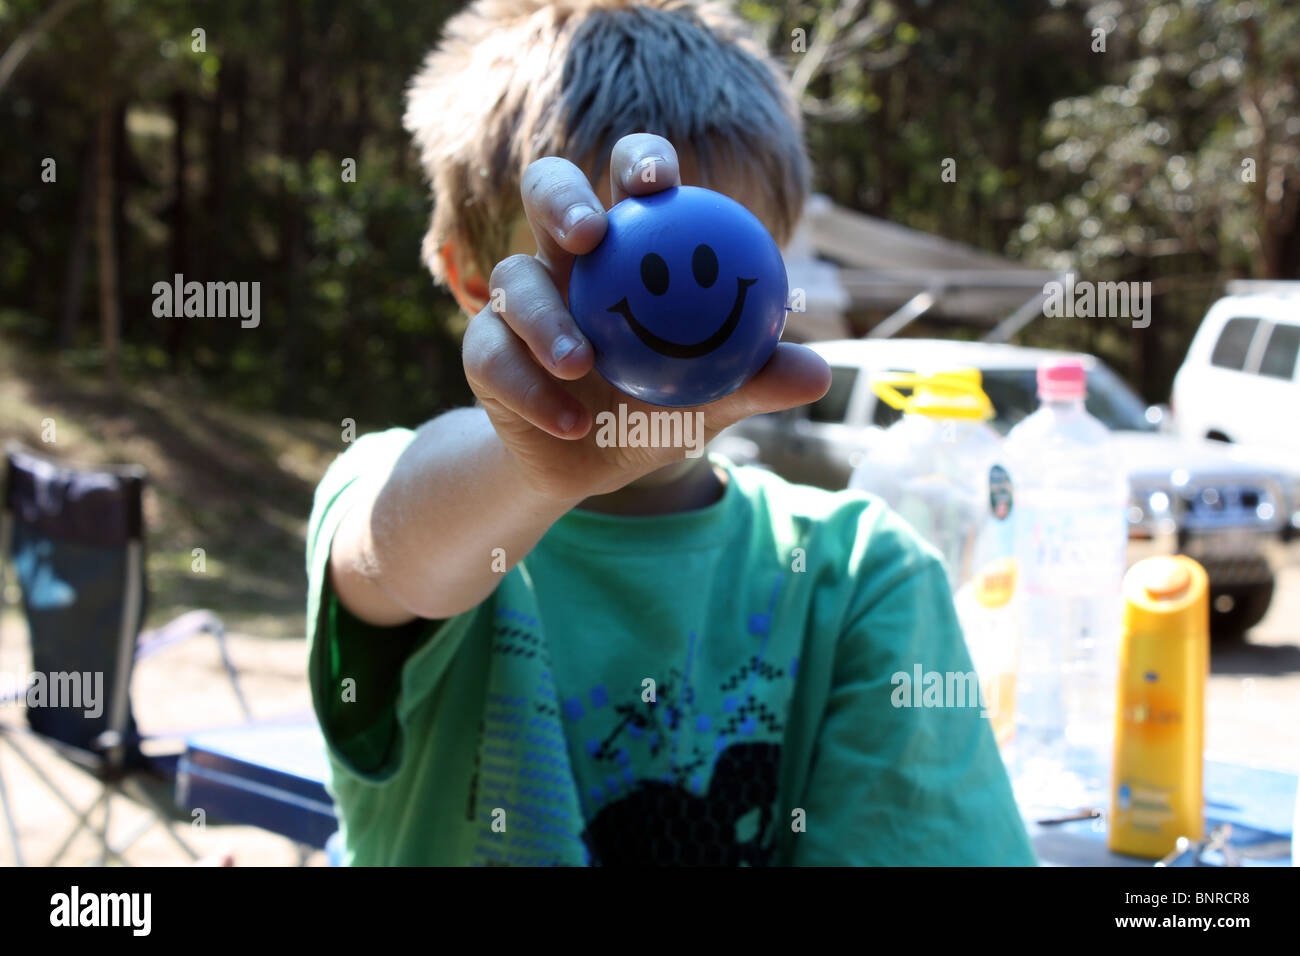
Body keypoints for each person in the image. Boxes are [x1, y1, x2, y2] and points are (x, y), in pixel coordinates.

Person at [306, 0, 1036, 866]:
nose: (672, 294)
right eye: (591, 252)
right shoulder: (415, 493)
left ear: (775, 264)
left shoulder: (861, 576)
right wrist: (535, 465)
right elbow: (393, 552)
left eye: (723, 238)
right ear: (476, 278)